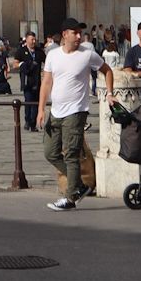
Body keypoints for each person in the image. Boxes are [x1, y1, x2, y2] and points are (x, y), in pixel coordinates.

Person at [37, 18, 105, 211]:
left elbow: (106, 70)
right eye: (75, 32)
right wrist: (41, 109)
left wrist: (108, 93)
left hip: (76, 111)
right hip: (56, 111)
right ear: (64, 34)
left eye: (80, 33)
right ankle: (80, 185)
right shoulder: (53, 55)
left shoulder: (87, 54)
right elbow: (47, 83)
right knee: (50, 152)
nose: (79, 36)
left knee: (71, 154)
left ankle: (70, 197)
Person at [15, 33, 43, 131]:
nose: (33, 42)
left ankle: (33, 123)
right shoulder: (21, 51)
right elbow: (15, 64)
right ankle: (27, 120)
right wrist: (22, 64)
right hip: (27, 81)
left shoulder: (39, 52)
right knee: (28, 101)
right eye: (32, 40)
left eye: (35, 40)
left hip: (37, 81)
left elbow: (46, 62)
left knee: (36, 103)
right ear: (26, 40)